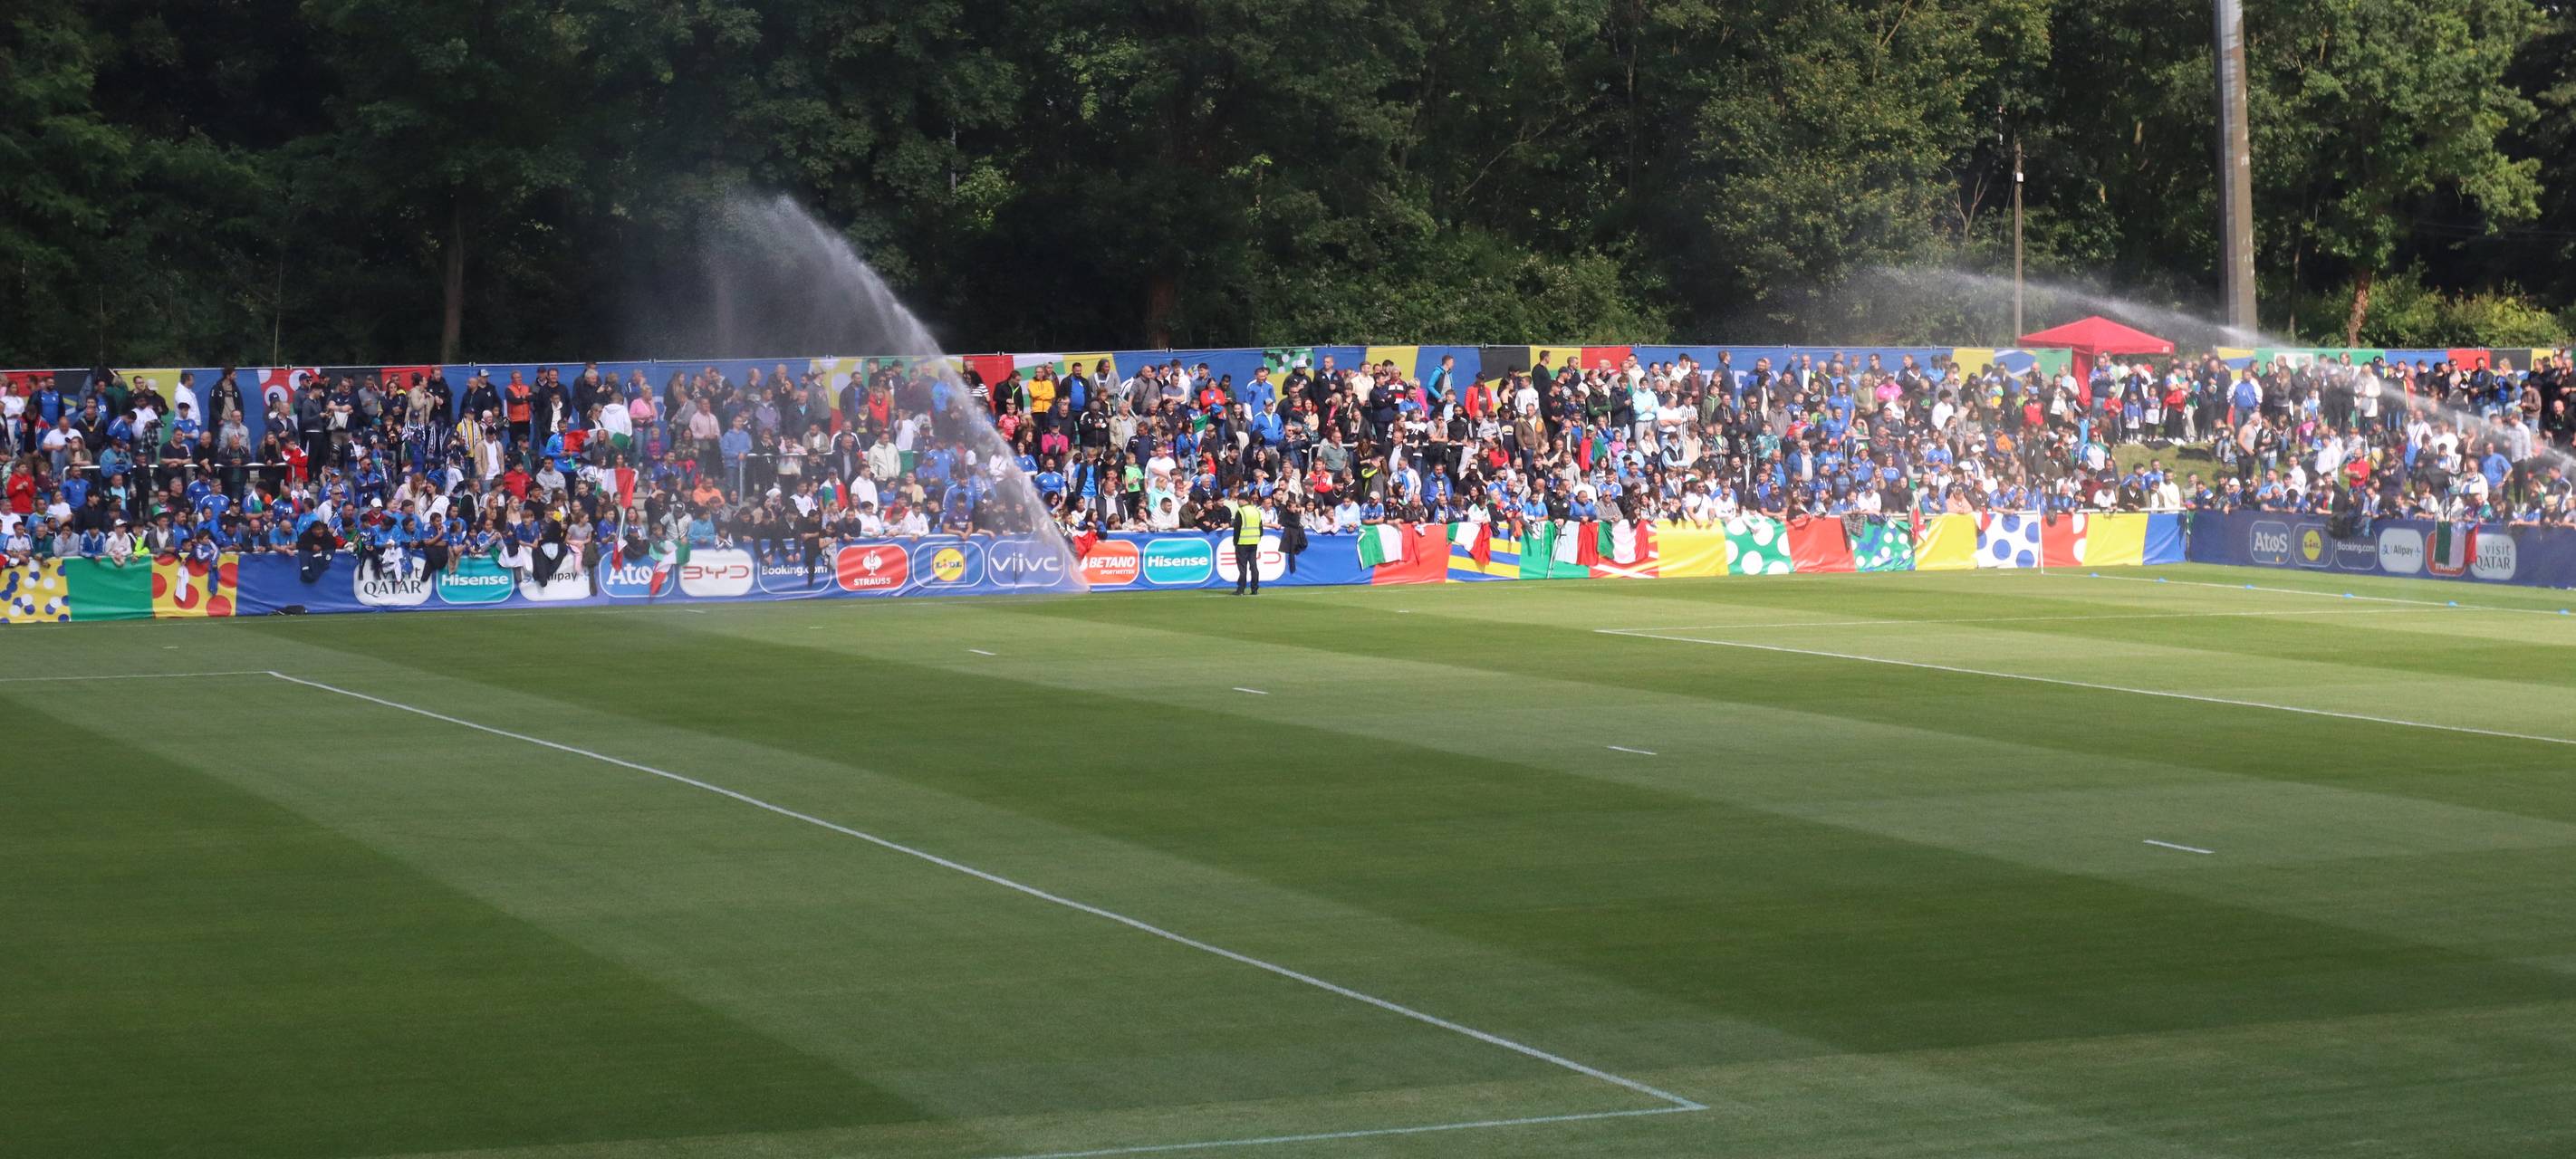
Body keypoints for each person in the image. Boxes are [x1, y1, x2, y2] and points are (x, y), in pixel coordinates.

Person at [1229, 489, 1264, 595]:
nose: (1237, 502)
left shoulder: (1240, 512)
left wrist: (1235, 542)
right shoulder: (1256, 511)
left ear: (1241, 500)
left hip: (1242, 543)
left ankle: (1241, 589)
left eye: (1238, 500)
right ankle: (1255, 589)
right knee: (1253, 566)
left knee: (1242, 567)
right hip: (1254, 542)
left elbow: (1237, 529)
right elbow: (1261, 528)